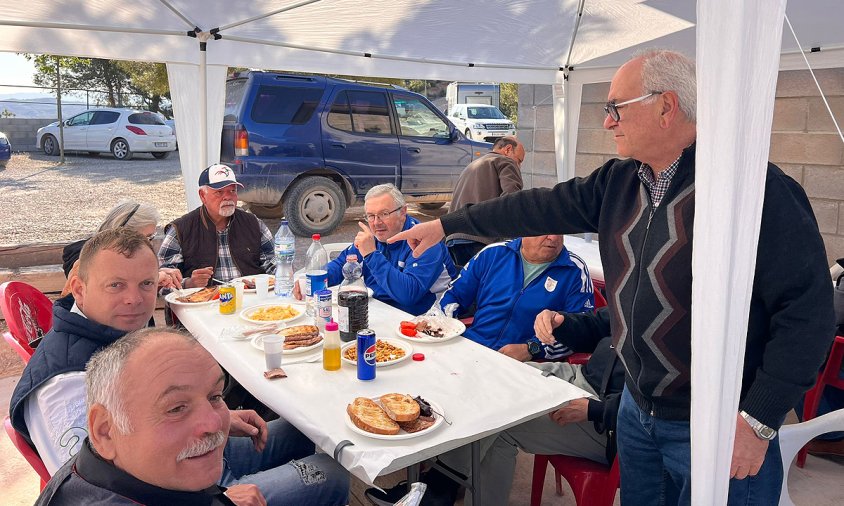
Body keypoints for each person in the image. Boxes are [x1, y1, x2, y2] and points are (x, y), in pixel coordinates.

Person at [389, 49, 836, 504]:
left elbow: (807, 315)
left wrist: (758, 421)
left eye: (615, 108)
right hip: (637, 414)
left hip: (715, 425)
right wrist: (447, 225)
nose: (607, 122)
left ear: (666, 106)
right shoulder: (619, 183)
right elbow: (533, 207)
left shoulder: (755, 191)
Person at [10, 228, 349, 504]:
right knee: (331, 474)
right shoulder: (64, 385)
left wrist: (222, 417)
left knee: (299, 427)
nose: (134, 299)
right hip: (183, 489)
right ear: (79, 290)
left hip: (190, 456)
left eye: (145, 284)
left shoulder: (114, 327)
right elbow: (92, 489)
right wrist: (224, 498)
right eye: (116, 285)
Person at [36, 328, 347, 505]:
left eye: (215, 396)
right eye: (176, 408)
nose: (214, 424)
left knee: (302, 431)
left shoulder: (109, 461)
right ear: (105, 431)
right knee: (333, 473)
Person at [367, 308, 625, 506]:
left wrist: (595, 410)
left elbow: (656, 408)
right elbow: (597, 325)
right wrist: (563, 322)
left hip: (611, 421)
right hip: (579, 375)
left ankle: (438, 489)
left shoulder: (662, 315)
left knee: (499, 422)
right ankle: (438, 486)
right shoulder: (635, 290)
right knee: (489, 383)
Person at [294, 183, 457, 315]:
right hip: (379, 311)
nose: (376, 222)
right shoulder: (373, 235)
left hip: (426, 320)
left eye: (384, 214)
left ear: (403, 212)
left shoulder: (425, 240)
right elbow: (340, 266)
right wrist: (312, 281)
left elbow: (408, 295)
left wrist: (371, 255)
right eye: (370, 216)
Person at [440, 234, 594, 361]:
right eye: (546, 230)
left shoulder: (575, 270)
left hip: (528, 365)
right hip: (472, 347)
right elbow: (454, 296)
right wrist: (443, 327)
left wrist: (530, 349)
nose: (553, 238)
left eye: (560, 231)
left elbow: (580, 333)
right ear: (524, 228)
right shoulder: (493, 254)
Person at [159, 164, 275, 288]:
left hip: (250, 300)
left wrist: (281, 276)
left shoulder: (253, 224)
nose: (228, 197)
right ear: (203, 196)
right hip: (204, 303)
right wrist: (188, 283)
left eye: (232, 191)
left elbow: (274, 264)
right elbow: (161, 282)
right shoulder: (181, 229)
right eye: (219, 192)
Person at [60, 200, 182, 296]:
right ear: (123, 233)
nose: (149, 245)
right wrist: (151, 279)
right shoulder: (89, 259)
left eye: (152, 238)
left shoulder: (122, 256)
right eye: (146, 238)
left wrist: (153, 278)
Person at [446, 136, 526, 266]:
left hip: (454, 239)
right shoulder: (504, 161)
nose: (519, 166)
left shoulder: (471, 166)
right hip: (481, 239)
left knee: (467, 283)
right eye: (519, 160)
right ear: (508, 149)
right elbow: (512, 200)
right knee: (490, 283)